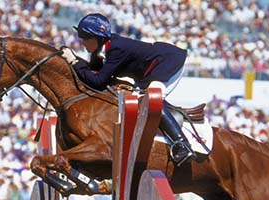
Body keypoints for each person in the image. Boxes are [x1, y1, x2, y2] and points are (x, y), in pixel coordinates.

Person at [62, 13, 194, 164]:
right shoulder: (101, 50)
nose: (82, 41)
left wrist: (74, 61)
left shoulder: (116, 49)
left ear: (97, 38)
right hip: (152, 68)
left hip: (167, 62)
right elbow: (91, 74)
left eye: (85, 37)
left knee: (151, 99)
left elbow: (98, 81)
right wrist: (73, 62)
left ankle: (182, 144)